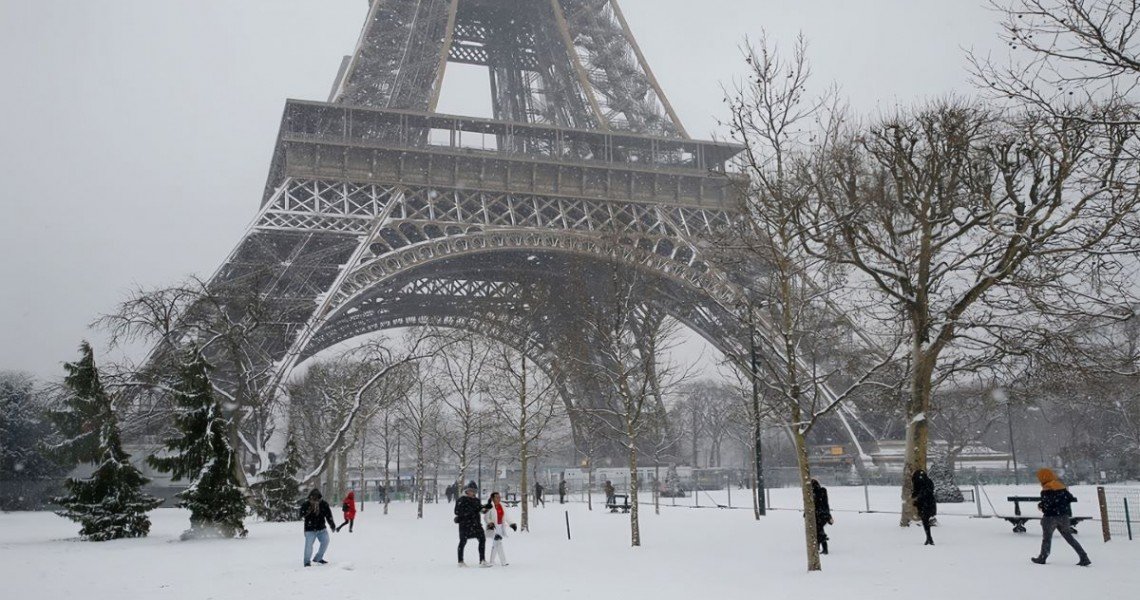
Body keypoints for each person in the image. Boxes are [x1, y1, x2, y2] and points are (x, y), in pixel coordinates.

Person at [1031, 469, 1091, 567]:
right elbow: (1070, 498)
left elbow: (1048, 505)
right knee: (1069, 538)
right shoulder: (1061, 486)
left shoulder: (1046, 489)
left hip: (1050, 518)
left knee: (1046, 539)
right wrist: (1061, 503)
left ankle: (1043, 557)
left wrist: (1041, 505)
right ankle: (1084, 556)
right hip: (1063, 517)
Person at [299, 489, 337, 567]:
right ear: (310, 497)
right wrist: (308, 511)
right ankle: (306, 562)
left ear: (320, 497)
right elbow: (301, 515)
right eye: (313, 497)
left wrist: (332, 525)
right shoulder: (306, 504)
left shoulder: (324, 504)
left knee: (325, 541)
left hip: (321, 529)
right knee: (308, 546)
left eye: (317, 497)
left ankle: (318, 558)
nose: (315, 499)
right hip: (310, 529)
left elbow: (328, 515)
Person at [455, 483, 488, 567]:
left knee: (482, 539)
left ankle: (482, 560)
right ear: (467, 491)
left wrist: (485, 509)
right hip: (465, 525)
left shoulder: (477, 500)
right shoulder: (461, 500)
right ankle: (460, 561)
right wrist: (469, 511)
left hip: (476, 524)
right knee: (463, 541)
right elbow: (457, 511)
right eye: (471, 491)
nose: (473, 492)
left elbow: (480, 509)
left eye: (474, 491)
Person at [484, 492, 518, 566]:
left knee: (497, 543)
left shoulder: (502, 506)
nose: (499, 498)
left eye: (499, 497)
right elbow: (486, 518)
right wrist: (490, 523)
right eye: (496, 497)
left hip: (500, 527)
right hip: (493, 527)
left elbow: (506, 516)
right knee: (497, 543)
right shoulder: (490, 506)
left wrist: (511, 524)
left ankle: (496, 561)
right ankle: (500, 561)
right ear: (492, 498)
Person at [911, 469, 937, 546]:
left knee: (925, 520)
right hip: (928, 504)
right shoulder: (928, 481)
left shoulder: (920, 482)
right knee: (925, 521)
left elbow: (922, 493)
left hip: (925, 504)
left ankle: (929, 538)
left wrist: (916, 499)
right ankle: (929, 538)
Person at [811, 479, 833, 555]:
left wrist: (828, 515)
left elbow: (822, 503)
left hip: (821, 515)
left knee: (819, 531)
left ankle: (824, 549)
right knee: (817, 531)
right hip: (820, 515)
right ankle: (819, 547)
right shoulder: (818, 492)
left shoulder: (820, 492)